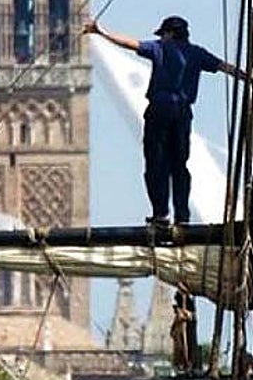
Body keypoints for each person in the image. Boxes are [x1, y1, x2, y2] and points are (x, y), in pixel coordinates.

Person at [83, 14, 244, 225]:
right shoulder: (196, 53)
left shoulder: (160, 48)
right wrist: (248, 77)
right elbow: (224, 66)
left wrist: (101, 32)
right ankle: (182, 215)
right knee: (180, 164)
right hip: (183, 112)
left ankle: (160, 213)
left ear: (168, 33)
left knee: (156, 163)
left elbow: (131, 44)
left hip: (160, 109)